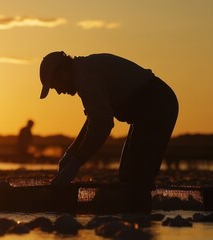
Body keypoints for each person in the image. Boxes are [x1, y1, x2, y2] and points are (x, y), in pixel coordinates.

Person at [39, 51, 178, 212]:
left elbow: (102, 124)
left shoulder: (85, 75)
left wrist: (75, 164)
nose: (58, 91)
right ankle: (137, 219)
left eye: (55, 85)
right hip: (145, 112)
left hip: (158, 105)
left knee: (137, 175)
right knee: (127, 175)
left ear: (62, 71)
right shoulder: (83, 72)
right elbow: (94, 119)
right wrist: (70, 154)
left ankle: (142, 222)